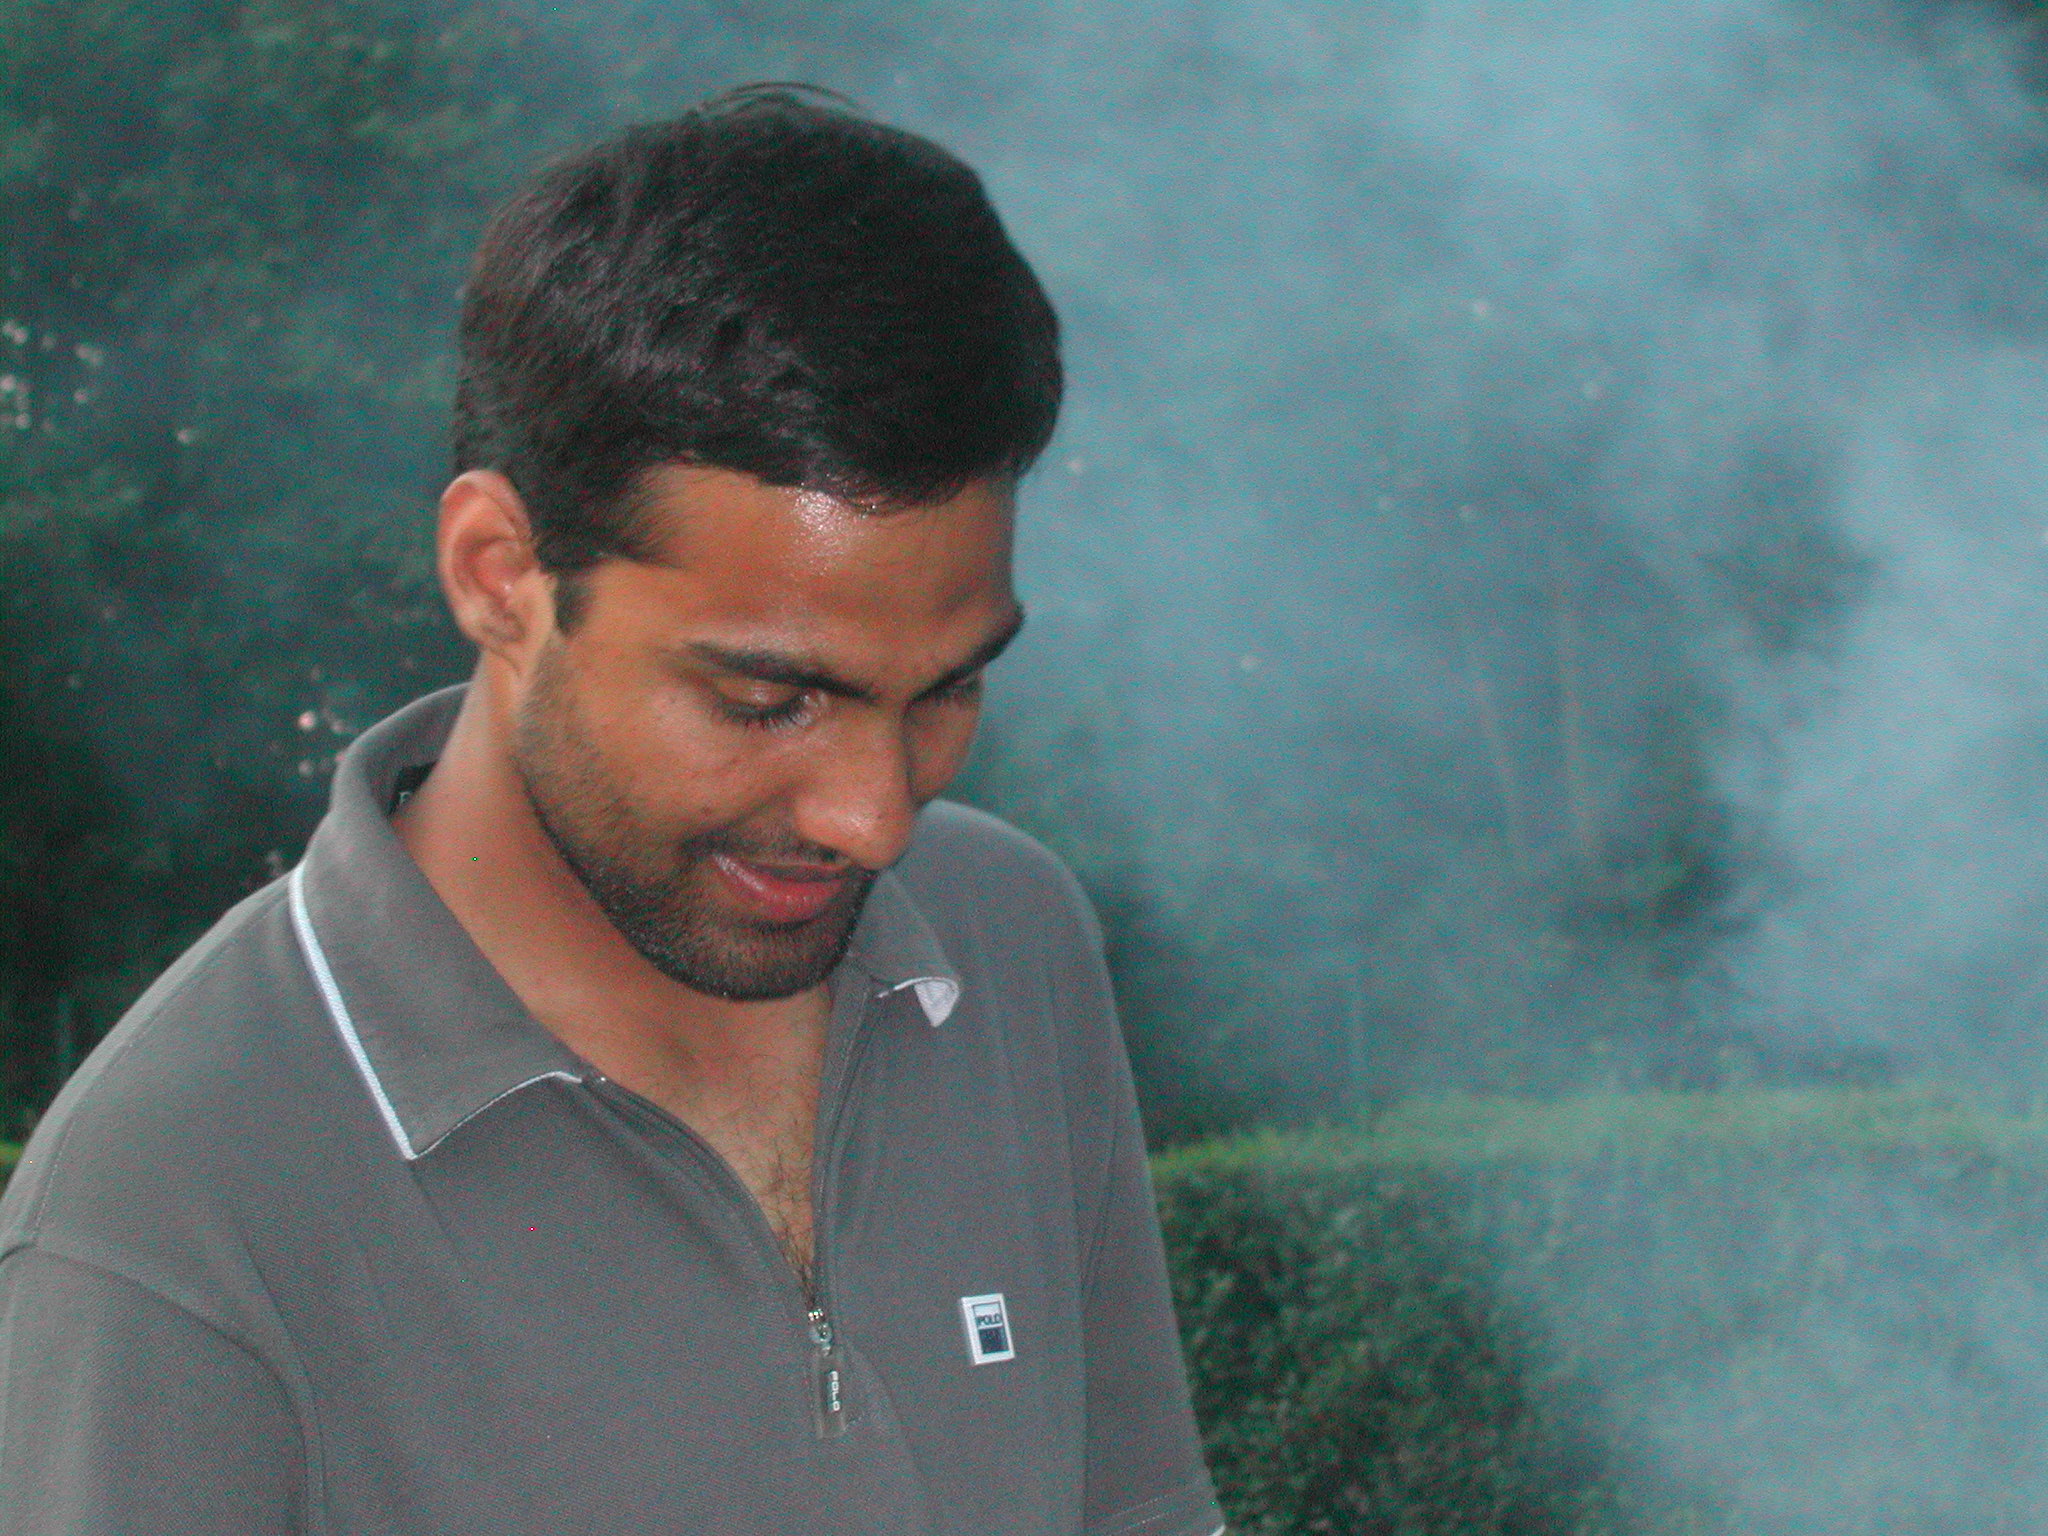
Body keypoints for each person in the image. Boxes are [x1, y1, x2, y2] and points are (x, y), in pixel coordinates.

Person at [0, 85, 1226, 1536]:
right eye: (768, 700)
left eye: (947, 689)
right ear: (498, 573)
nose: (876, 822)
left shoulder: (1010, 942)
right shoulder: (166, 1214)